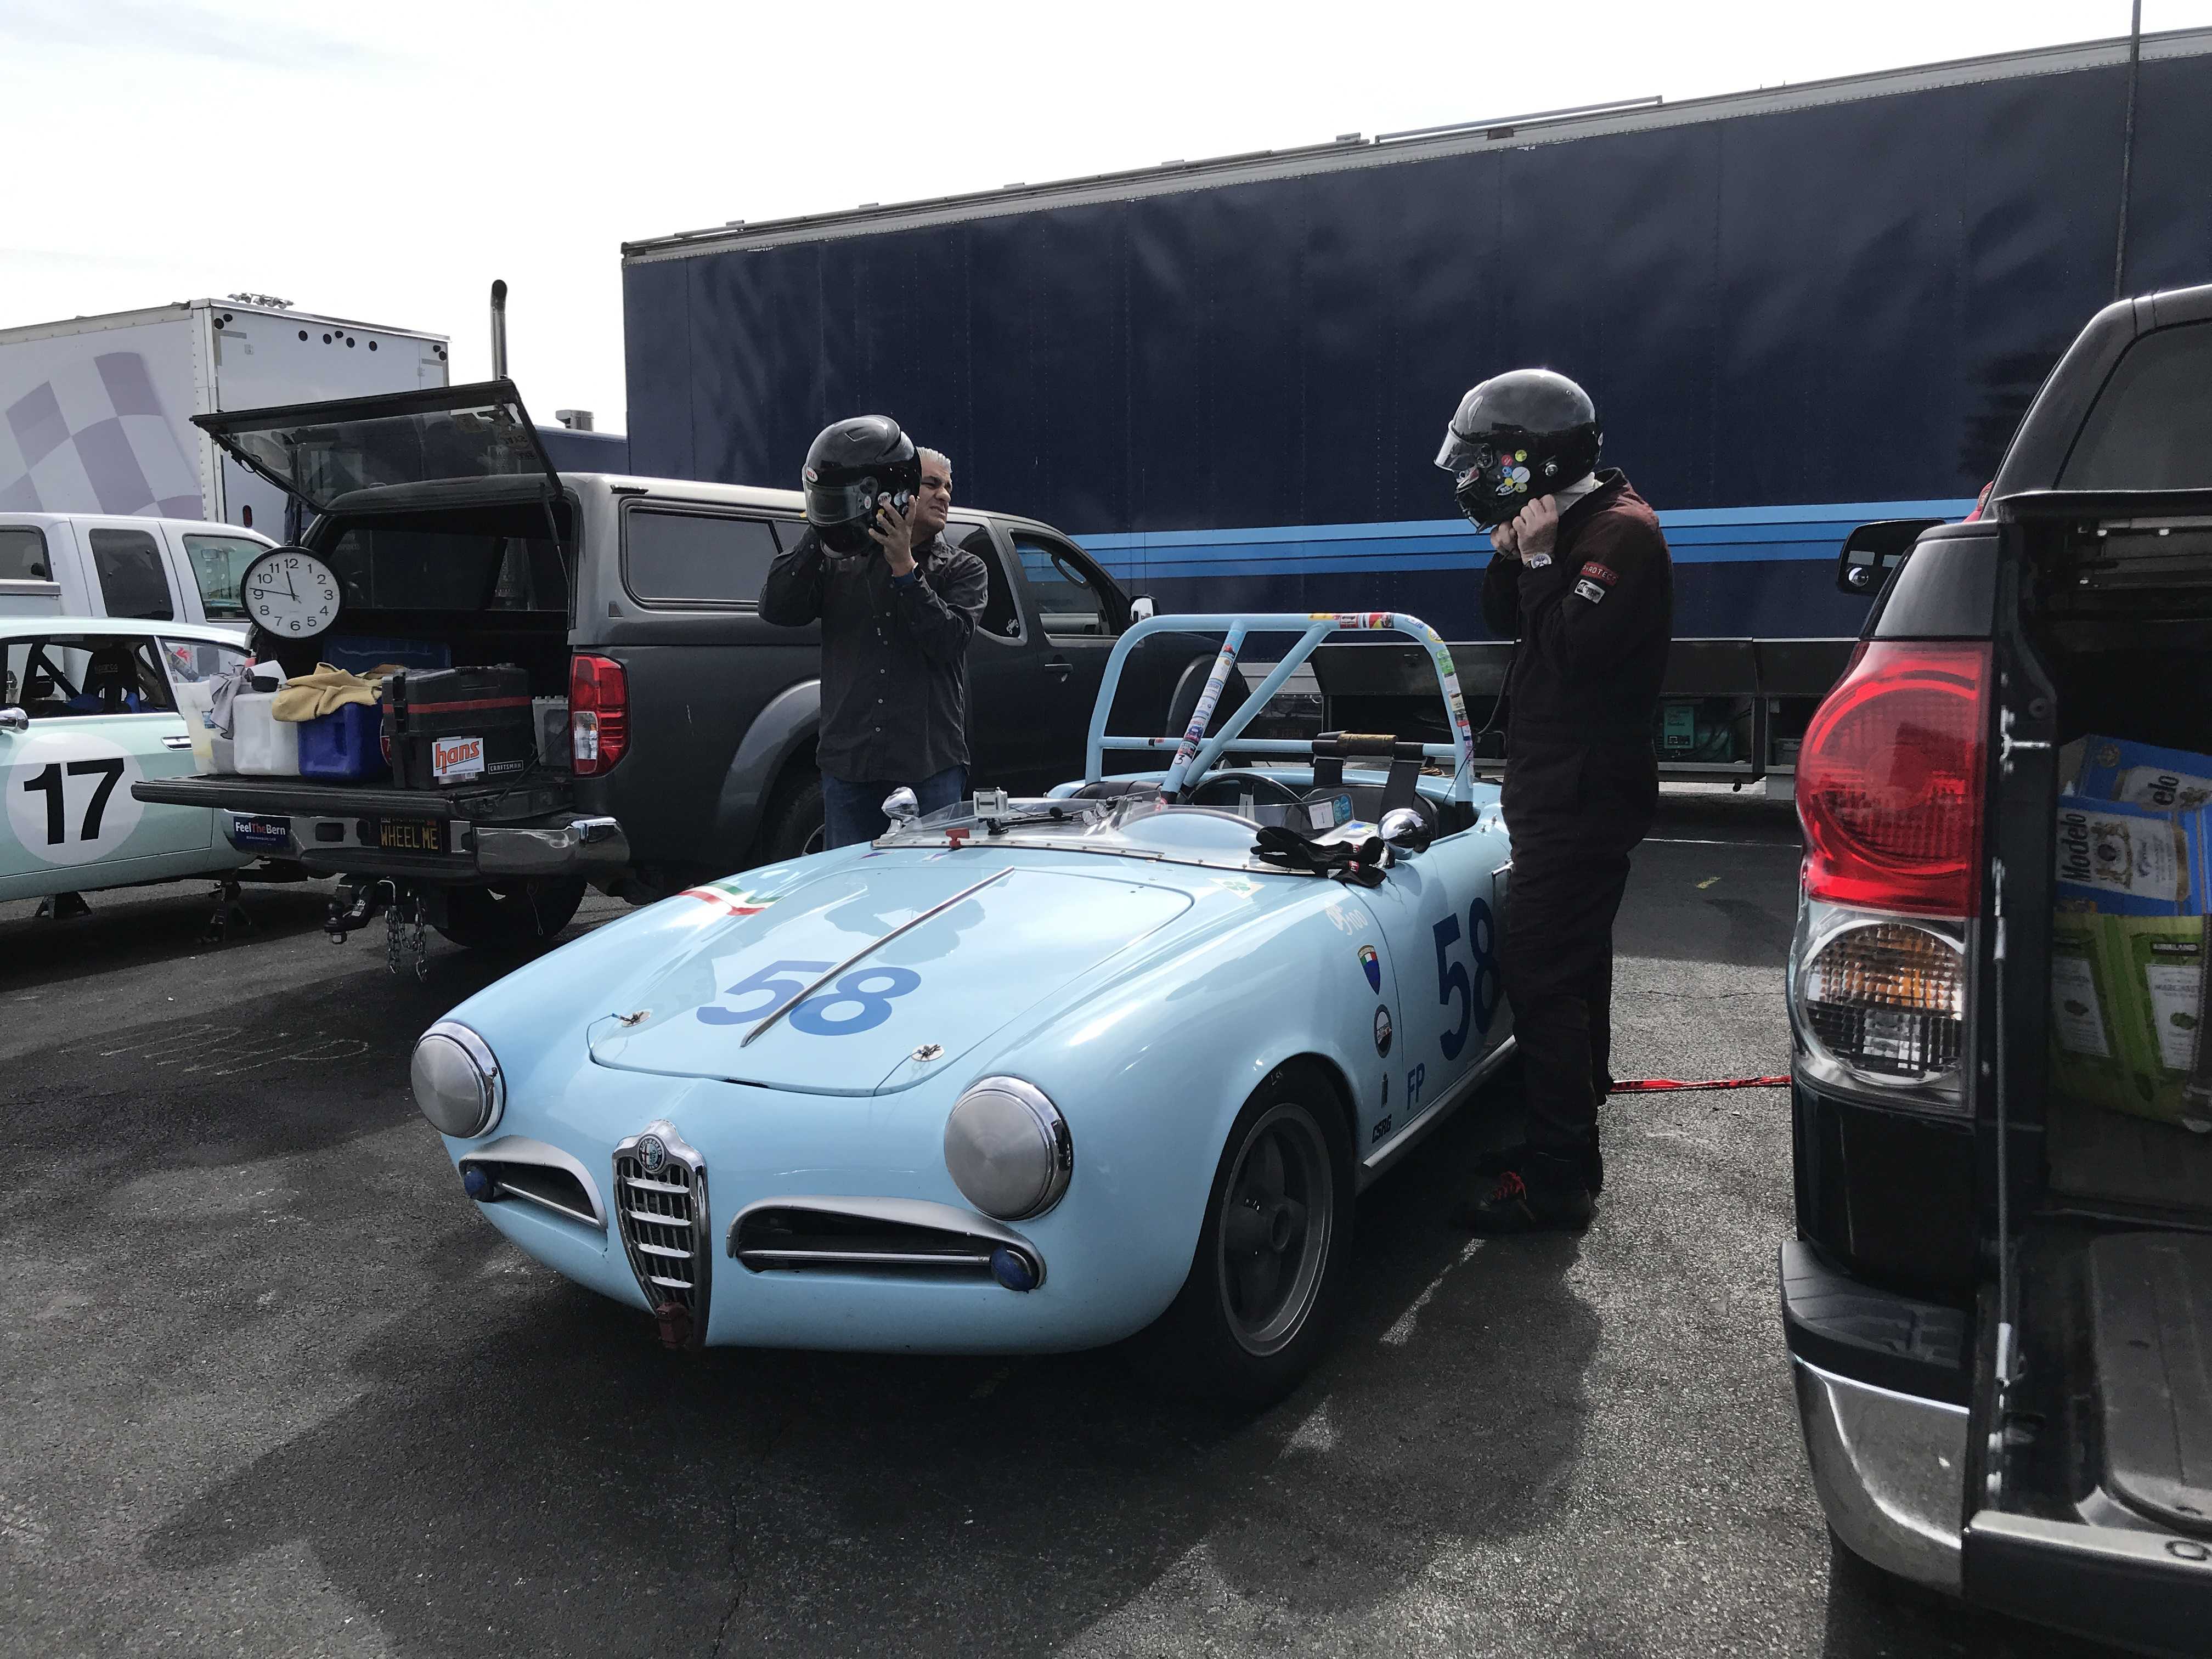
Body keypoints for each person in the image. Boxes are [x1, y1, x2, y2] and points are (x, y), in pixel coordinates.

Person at [1434, 369, 1673, 1234]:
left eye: (1490, 460)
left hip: (1583, 794)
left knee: (1540, 973)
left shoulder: (1622, 533)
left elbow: (1574, 651)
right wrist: (1514, 555)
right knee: (1575, 965)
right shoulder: (1567, 523)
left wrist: (1538, 559)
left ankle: (1558, 1177)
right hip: (1553, 785)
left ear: (1538, 459)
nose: (1476, 476)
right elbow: (1519, 625)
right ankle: (1570, 1130)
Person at [760, 417, 990, 849]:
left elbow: (949, 641)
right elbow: (777, 608)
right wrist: (825, 521)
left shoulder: (964, 569)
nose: (944, 495)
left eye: (949, 487)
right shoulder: (839, 563)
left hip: (930, 765)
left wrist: (906, 568)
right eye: (931, 484)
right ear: (897, 488)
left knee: (932, 892)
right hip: (850, 768)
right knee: (848, 894)